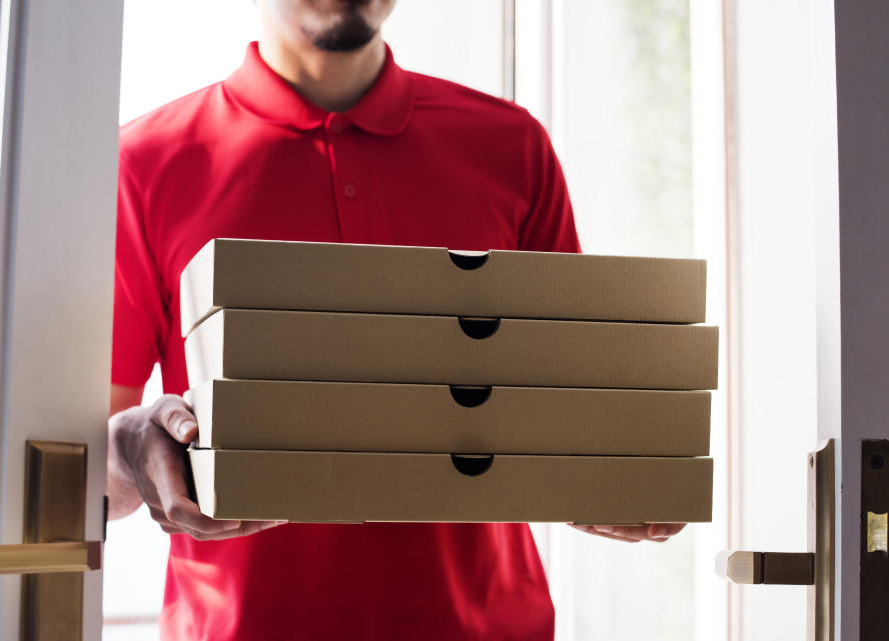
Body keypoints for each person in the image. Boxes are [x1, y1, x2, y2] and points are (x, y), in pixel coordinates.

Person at [106, 1, 686, 639]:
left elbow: (572, 408)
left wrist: (628, 470)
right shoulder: (143, 163)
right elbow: (88, 477)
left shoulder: (512, 147)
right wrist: (127, 446)